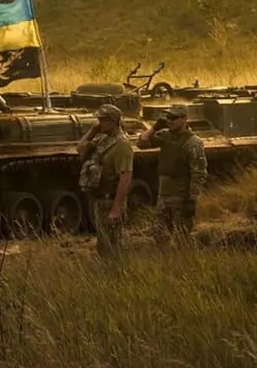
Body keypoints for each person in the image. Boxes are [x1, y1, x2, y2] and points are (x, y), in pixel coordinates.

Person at [138, 107, 208, 241]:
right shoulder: (165, 136)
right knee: (158, 234)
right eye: (168, 117)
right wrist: (154, 128)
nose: (170, 121)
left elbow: (198, 173)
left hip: (181, 197)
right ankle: (166, 259)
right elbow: (141, 143)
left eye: (174, 118)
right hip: (164, 196)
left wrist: (192, 199)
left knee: (181, 236)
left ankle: (183, 260)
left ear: (184, 119)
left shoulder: (193, 142)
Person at [77, 104, 134, 260]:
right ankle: (107, 272)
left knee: (112, 245)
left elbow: (125, 178)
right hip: (100, 200)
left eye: (103, 120)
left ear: (114, 121)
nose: (100, 123)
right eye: (99, 120)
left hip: (110, 200)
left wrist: (116, 209)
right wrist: (92, 131)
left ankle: (115, 274)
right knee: (103, 245)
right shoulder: (103, 139)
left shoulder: (122, 145)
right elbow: (80, 149)